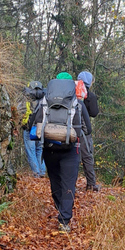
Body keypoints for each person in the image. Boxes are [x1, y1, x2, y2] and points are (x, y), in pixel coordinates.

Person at [31, 72, 90, 232]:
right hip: (70, 150)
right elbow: (88, 129)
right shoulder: (77, 103)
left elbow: (32, 122)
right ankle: (64, 220)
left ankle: (61, 208)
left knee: (55, 182)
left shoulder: (44, 101)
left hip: (49, 148)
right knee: (69, 184)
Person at [76, 70, 100, 192]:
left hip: (69, 128)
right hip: (84, 130)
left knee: (71, 157)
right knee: (87, 156)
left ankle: (70, 184)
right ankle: (91, 184)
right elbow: (94, 113)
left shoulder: (70, 92)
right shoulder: (90, 96)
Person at [21, 80, 46, 177]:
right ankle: (42, 171)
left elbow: (21, 111)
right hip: (42, 126)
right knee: (39, 149)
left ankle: (36, 173)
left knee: (30, 150)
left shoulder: (27, 97)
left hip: (29, 127)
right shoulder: (43, 97)